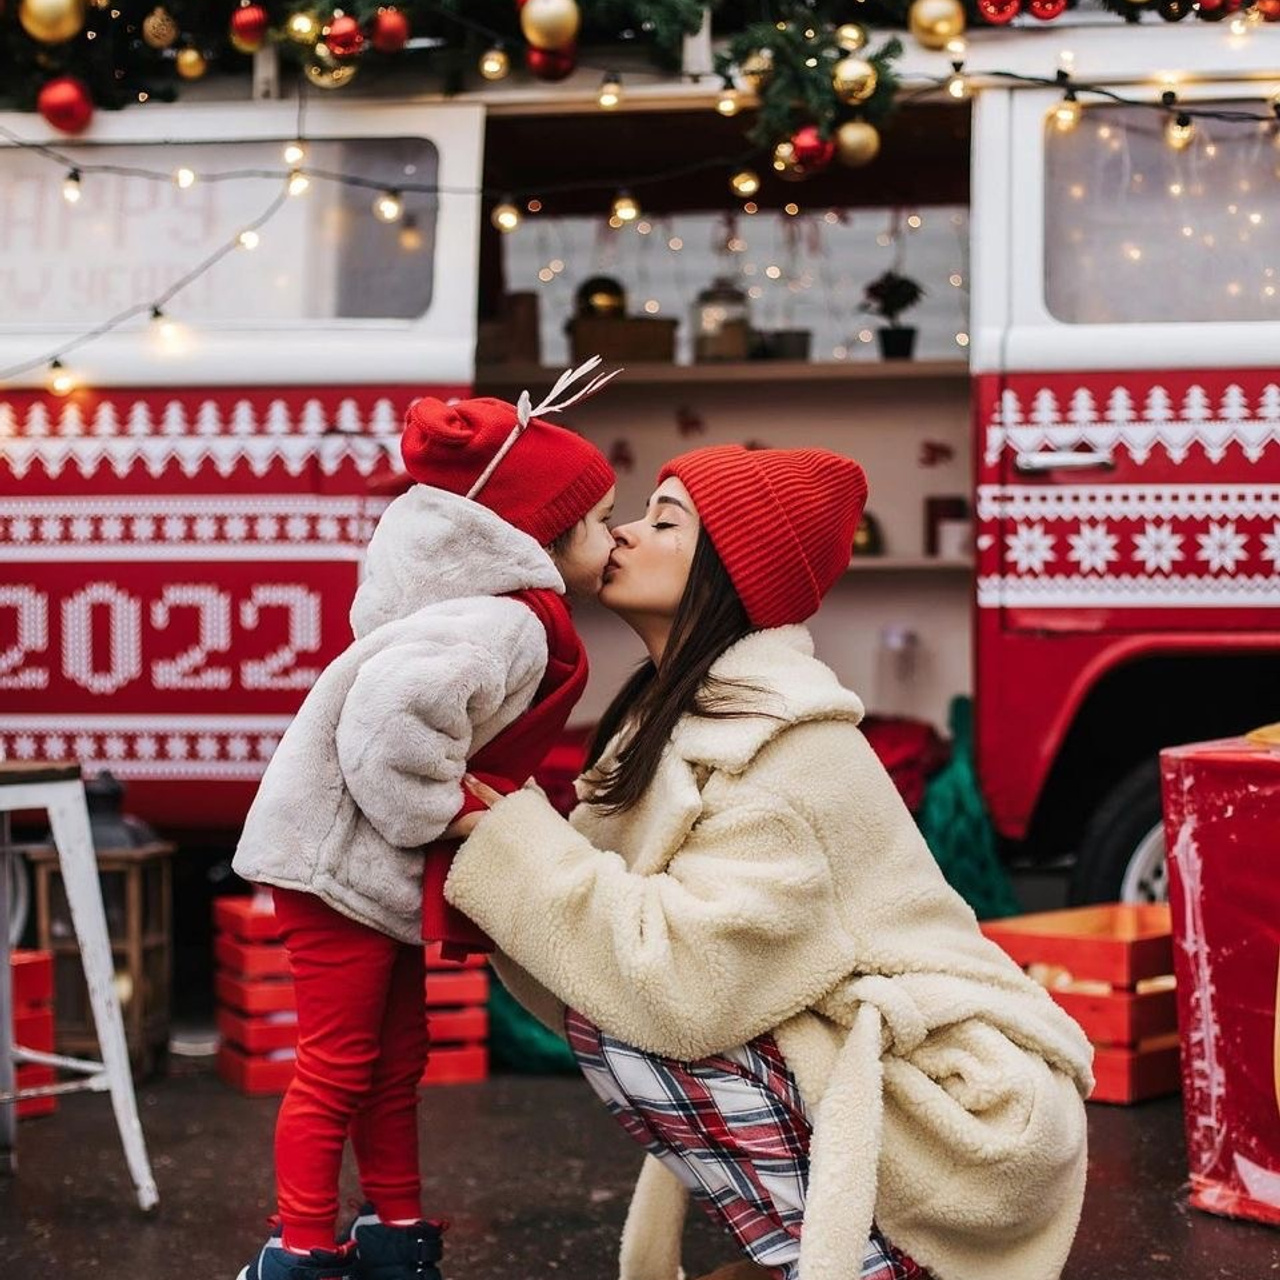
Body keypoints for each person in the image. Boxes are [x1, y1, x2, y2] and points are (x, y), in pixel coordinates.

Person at [443, 444, 1095, 1280]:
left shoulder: (780, 751)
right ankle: (807, 1244)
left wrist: (510, 844)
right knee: (611, 998)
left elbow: (686, 983)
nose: (627, 535)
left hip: (971, 1116)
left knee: (640, 1028)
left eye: (665, 522)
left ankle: (870, 1257)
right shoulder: (675, 719)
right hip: (892, 1073)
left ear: (729, 573)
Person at [230, 360, 620, 1280]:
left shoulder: (481, 613)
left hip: (361, 870)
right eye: (601, 520)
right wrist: (442, 813)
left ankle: (394, 1230)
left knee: (395, 1055)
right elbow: (394, 716)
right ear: (541, 534)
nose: (614, 536)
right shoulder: (506, 623)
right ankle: (302, 1248)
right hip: (337, 865)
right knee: (338, 1064)